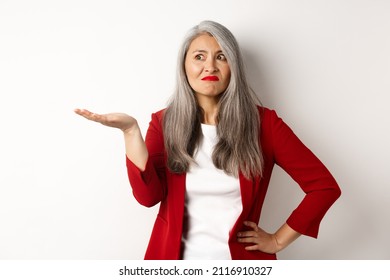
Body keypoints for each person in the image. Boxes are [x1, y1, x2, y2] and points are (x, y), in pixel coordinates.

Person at [74, 20, 341, 260]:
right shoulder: (164, 123)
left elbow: (324, 187)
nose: (209, 66)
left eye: (221, 57)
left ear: (233, 66)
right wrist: (131, 131)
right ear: (185, 66)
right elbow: (148, 197)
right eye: (199, 57)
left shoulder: (264, 124)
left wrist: (278, 239)